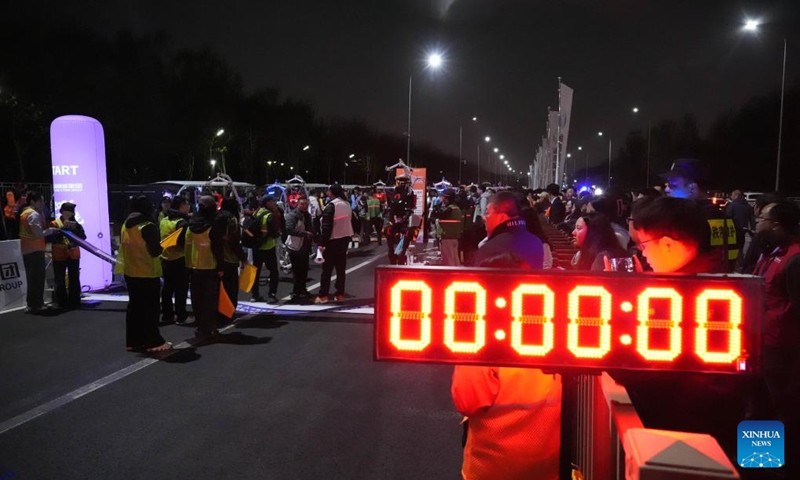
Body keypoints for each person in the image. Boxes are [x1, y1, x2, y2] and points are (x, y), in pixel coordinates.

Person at [616, 196, 744, 462]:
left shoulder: (687, 300)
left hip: (691, 441)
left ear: (667, 244)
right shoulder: (716, 284)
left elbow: (658, 369)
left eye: (642, 245)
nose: (642, 254)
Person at [452, 251, 560, 480]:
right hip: (549, 467)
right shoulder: (560, 334)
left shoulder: (481, 343)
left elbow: (467, 401)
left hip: (491, 467)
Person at [752, 199, 800, 473]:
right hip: (764, 347)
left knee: (780, 411)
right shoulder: (774, 253)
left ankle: (779, 468)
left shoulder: (794, 260)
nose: (758, 223)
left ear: (778, 226)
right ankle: (758, 463)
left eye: (763, 221)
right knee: (760, 409)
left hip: (783, 352)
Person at [660, 158, 738, 271]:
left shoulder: (687, 221)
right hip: (725, 284)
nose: (666, 189)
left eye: (673, 185)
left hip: (690, 285)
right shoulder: (728, 219)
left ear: (692, 188)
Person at [115, 196, 171, 352]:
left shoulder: (126, 225)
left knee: (135, 308)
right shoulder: (147, 226)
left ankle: (134, 341)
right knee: (150, 309)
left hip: (130, 272)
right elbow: (155, 251)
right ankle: (154, 342)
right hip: (147, 272)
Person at [185, 195, 226, 337]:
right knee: (210, 300)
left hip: (194, 267)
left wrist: (188, 265)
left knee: (197, 299)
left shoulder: (191, 225)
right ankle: (209, 328)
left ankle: (200, 326)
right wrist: (221, 267)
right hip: (210, 267)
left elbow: (188, 247)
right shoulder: (212, 226)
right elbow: (218, 249)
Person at [474, 191, 543, 269]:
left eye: (487, 213)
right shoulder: (535, 241)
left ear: (502, 216)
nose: (485, 218)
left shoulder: (490, 248)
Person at [19, 191, 56, 313]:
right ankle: (37, 304)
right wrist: (51, 230)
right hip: (35, 250)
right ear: (32, 202)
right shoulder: (33, 215)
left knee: (32, 279)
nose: (42, 204)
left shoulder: (24, 213)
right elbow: (38, 234)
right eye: (40, 201)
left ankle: (31, 304)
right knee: (38, 278)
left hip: (26, 249)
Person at [316, 184, 353, 303]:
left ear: (331, 192)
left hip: (332, 240)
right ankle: (340, 294)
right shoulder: (347, 204)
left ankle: (323, 296)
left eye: (328, 191)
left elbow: (326, 227)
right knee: (340, 270)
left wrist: (322, 243)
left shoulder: (332, 206)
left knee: (327, 270)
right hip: (344, 239)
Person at [159, 196, 190, 325]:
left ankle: (167, 315)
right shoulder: (181, 223)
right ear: (181, 206)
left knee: (167, 288)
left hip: (165, 258)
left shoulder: (164, 220)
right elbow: (183, 243)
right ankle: (181, 316)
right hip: (179, 259)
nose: (189, 207)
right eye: (187, 204)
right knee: (181, 289)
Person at [50, 202, 86, 310]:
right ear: (61, 211)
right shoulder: (54, 223)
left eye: (71, 212)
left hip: (73, 254)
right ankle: (62, 302)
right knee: (60, 279)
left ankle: (74, 301)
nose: (69, 214)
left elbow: (83, 237)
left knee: (74, 278)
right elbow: (51, 238)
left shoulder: (76, 224)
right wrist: (60, 233)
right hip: (60, 254)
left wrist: (74, 231)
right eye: (67, 211)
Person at [219, 197, 248, 321]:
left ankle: (219, 312)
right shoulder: (232, 220)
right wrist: (243, 258)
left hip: (216, 258)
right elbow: (234, 243)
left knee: (220, 289)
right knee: (231, 288)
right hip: (230, 259)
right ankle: (229, 313)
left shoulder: (216, 217)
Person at [251, 195, 281, 303]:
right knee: (273, 271)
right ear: (268, 202)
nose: (275, 203)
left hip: (256, 247)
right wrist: (278, 234)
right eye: (273, 201)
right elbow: (273, 233)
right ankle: (272, 294)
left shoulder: (256, 212)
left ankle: (255, 295)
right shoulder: (269, 215)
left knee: (256, 272)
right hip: (268, 247)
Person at [284, 198, 313, 301]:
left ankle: (302, 290)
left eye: (306, 204)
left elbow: (310, 228)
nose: (304, 206)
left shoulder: (307, 215)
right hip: (295, 247)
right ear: (297, 204)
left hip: (305, 247)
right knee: (297, 271)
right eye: (302, 204)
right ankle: (296, 292)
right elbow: (289, 229)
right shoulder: (292, 215)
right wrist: (304, 234)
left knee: (304, 270)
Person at [432, 190, 463, 266]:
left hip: (447, 237)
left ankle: (451, 276)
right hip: (454, 237)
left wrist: (437, 206)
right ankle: (458, 275)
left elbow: (436, 215)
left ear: (447, 198)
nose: (441, 199)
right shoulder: (457, 208)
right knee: (455, 260)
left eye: (443, 197)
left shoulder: (449, 209)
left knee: (448, 260)